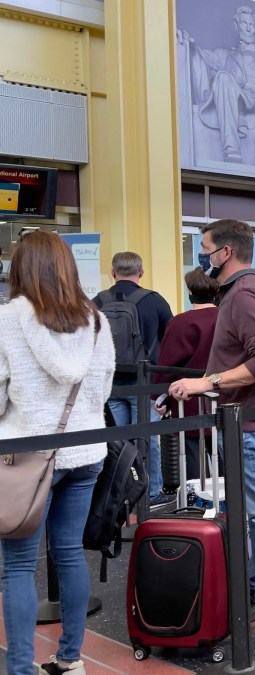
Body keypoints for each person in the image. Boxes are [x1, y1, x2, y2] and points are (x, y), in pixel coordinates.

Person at [0, 231, 115, 675]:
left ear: (20, 270)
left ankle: (20, 669)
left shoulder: (8, 319)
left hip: (28, 457)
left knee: (18, 567)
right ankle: (70, 659)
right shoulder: (96, 320)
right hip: (85, 450)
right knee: (69, 553)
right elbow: (103, 387)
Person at [168, 218, 255, 627]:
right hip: (243, 418)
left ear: (226, 252)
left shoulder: (245, 295)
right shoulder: (244, 292)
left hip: (248, 421)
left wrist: (208, 381)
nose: (200, 254)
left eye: (204, 247)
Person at [176, 5, 255, 167]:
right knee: (223, 77)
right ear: (237, 26)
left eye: (251, 25)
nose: (248, 28)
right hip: (237, 99)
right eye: (244, 24)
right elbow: (203, 55)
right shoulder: (224, 55)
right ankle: (231, 149)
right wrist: (188, 41)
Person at [93, 251, 174, 507]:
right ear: (140, 272)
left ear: (112, 272)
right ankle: (150, 493)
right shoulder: (155, 301)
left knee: (119, 441)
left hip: (112, 384)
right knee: (147, 437)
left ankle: (122, 494)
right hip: (146, 383)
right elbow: (170, 339)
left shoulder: (97, 302)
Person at [155, 268, 221, 480]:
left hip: (188, 400)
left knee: (192, 457)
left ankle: (198, 505)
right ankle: (230, 505)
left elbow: (168, 364)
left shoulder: (180, 322)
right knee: (226, 455)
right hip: (225, 395)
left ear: (191, 292)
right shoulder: (228, 317)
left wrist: (159, 395)